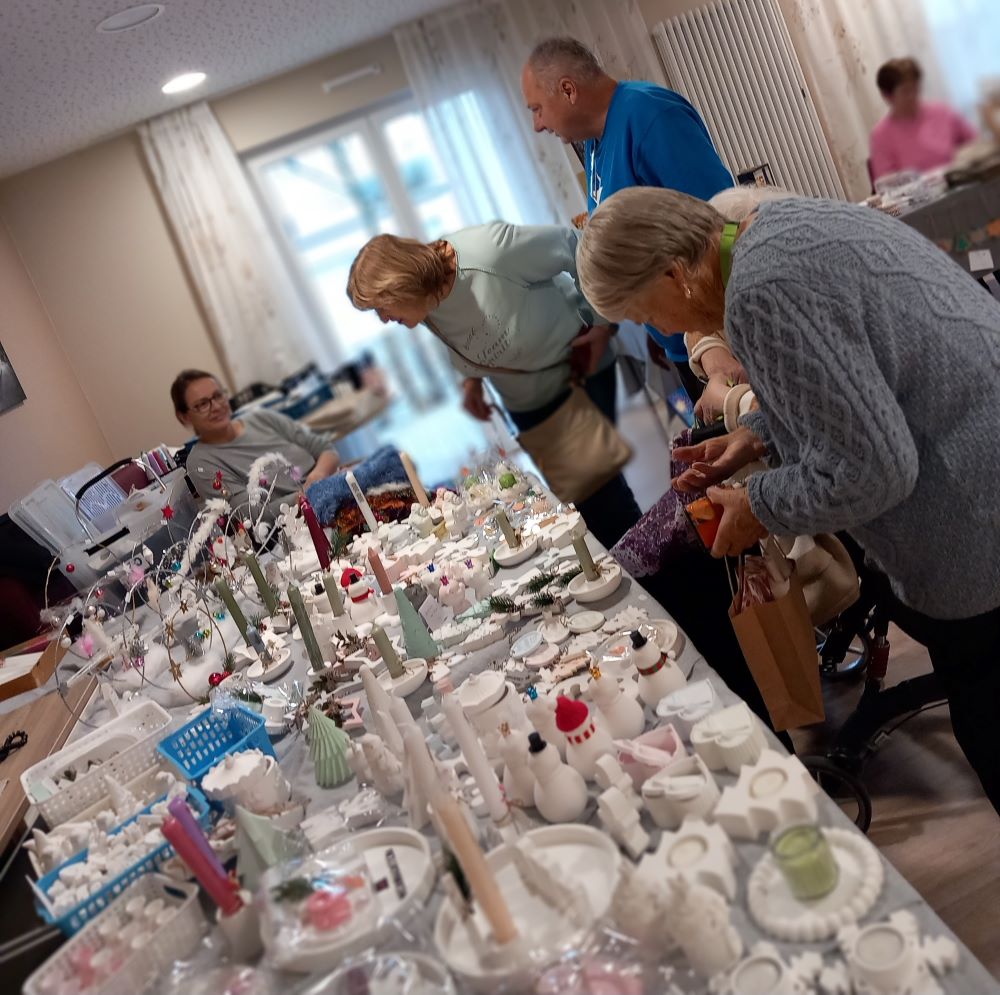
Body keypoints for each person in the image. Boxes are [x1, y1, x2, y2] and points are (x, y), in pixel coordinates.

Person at [577, 185, 1000, 815]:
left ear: (673, 274)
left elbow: (874, 470)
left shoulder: (761, 291)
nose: (658, 330)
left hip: (973, 506)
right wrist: (754, 439)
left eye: (644, 313)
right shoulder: (767, 233)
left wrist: (757, 507)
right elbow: (846, 385)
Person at [346, 224, 641, 549]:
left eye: (380, 306)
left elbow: (576, 245)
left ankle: (664, 584)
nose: (383, 319)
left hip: (574, 373)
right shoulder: (424, 302)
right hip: (526, 403)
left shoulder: (490, 253)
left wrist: (600, 322)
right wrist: (471, 380)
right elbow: (468, 331)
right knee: (587, 510)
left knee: (607, 505)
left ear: (400, 284)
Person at [521, 36, 737, 400]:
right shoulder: (592, 143)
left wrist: (713, 339)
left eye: (537, 108)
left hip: (717, 341)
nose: (538, 125)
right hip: (683, 340)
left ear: (568, 90)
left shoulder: (650, 116)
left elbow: (721, 223)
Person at [171, 369, 340, 521]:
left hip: (334, 487)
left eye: (218, 396)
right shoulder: (201, 463)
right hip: (302, 523)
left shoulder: (262, 418)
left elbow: (325, 448)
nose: (215, 406)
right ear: (184, 417)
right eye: (202, 404)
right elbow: (249, 513)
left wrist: (317, 477)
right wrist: (306, 496)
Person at [870, 57, 977, 182]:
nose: (913, 96)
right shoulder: (881, 136)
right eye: (906, 91)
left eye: (915, 88)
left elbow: (974, 143)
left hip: (958, 182)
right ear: (887, 96)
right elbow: (887, 183)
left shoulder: (942, 112)